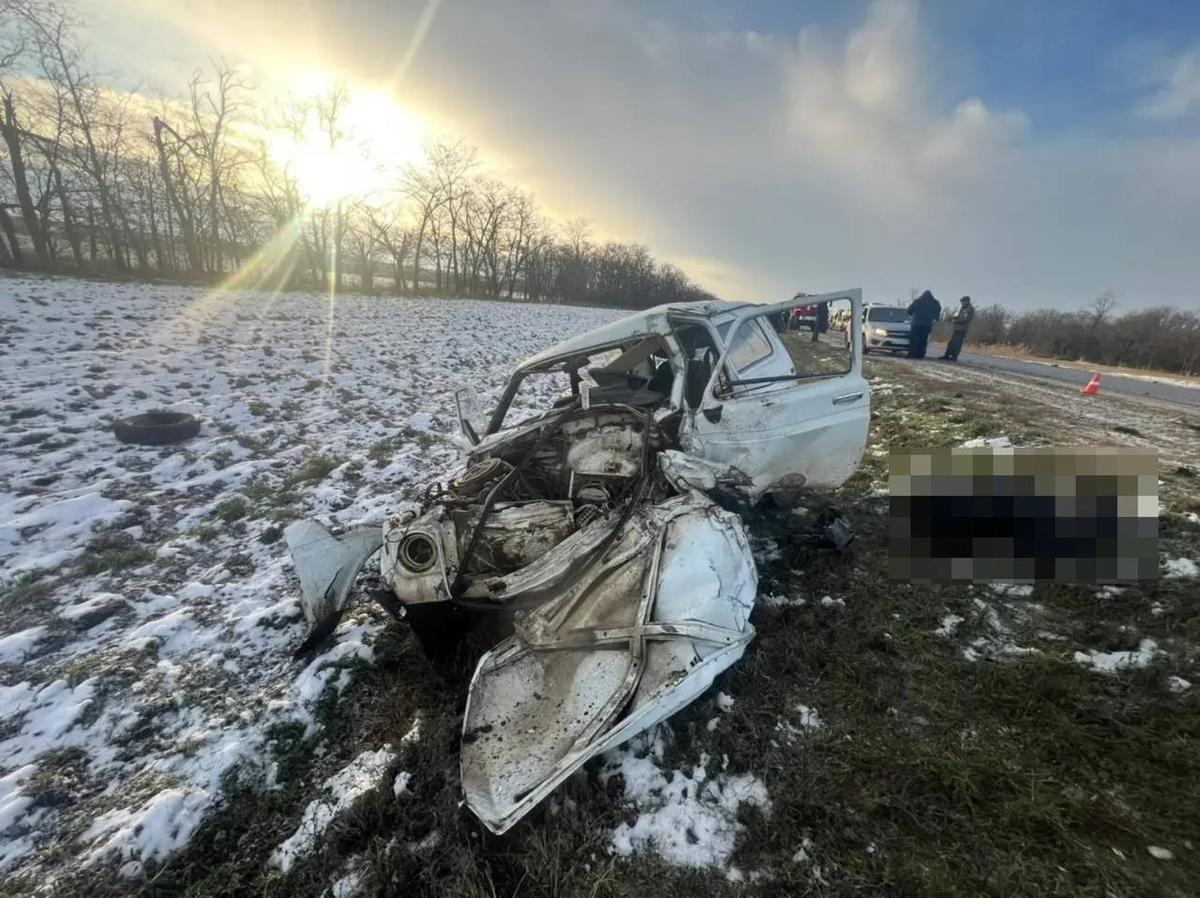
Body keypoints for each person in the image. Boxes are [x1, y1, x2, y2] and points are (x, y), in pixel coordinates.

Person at [905, 290, 941, 358]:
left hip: (916, 323)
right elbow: (937, 312)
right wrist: (936, 319)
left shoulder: (918, 301)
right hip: (927, 324)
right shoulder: (935, 303)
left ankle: (912, 354)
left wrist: (912, 314)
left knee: (914, 339)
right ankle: (920, 354)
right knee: (923, 340)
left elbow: (909, 310)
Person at [941, 296, 974, 361]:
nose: (962, 303)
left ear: (967, 301)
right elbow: (957, 315)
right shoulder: (961, 308)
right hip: (956, 328)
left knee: (957, 343)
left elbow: (967, 319)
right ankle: (947, 355)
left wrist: (956, 321)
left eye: (963, 302)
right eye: (961, 302)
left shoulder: (970, 309)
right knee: (951, 342)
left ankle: (954, 357)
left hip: (962, 329)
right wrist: (950, 318)